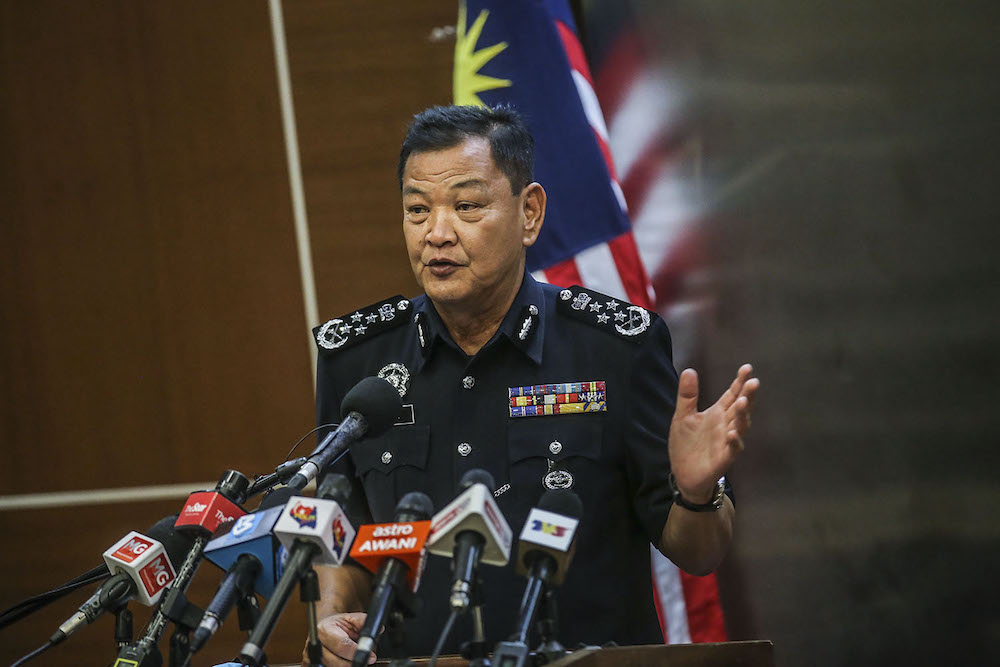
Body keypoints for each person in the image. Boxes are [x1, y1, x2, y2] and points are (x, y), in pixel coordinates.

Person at [306, 105, 758, 665]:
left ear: (529, 213)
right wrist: (329, 622)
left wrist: (695, 493)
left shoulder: (616, 349)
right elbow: (341, 533)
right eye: (417, 210)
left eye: (467, 206)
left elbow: (701, 553)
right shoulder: (356, 360)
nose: (437, 233)